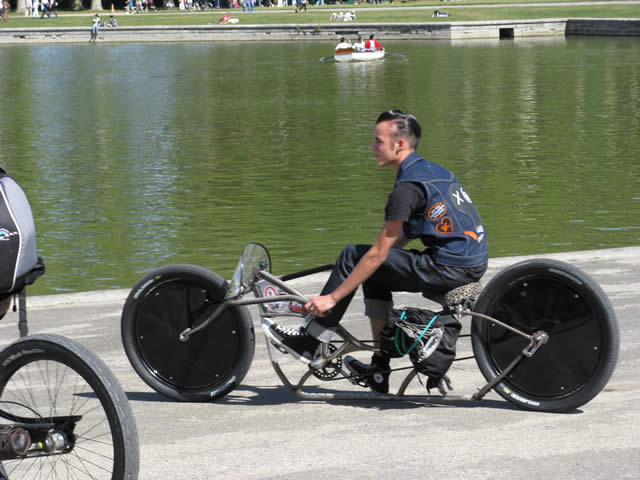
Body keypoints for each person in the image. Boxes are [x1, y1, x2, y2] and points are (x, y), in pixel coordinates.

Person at [265, 110, 488, 394]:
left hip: (449, 266)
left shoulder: (406, 188)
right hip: (469, 260)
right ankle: (379, 371)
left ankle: (312, 339)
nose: (372, 147)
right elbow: (403, 237)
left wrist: (331, 298)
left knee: (354, 255)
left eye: (378, 141)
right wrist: (368, 266)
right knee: (372, 271)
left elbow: (377, 254)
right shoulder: (433, 171)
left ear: (399, 144)